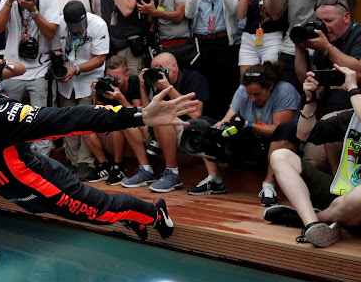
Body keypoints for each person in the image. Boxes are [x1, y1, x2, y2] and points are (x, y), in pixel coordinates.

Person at [0, 34, 201, 241]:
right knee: (101, 216)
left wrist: (140, 115)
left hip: (48, 187)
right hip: (26, 198)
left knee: (103, 211)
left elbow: (70, 119)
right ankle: (129, 217)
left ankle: (154, 212)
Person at [265, 65, 361, 248]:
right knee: (281, 156)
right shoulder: (351, 118)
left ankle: (315, 218)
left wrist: (352, 89)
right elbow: (305, 135)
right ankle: (314, 225)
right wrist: (310, 100)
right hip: (342, 197)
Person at [187, 62, 300, 206]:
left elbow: (278, 128)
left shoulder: (284, 91)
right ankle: (215, 179)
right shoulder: (242, 89)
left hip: (273, 146)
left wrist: (249, 125)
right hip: (248, 142)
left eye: (257, 94)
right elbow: (226, 120)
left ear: (270, 86)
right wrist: (209, 132)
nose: (252, 98)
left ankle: (269, 186)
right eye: (249, 94)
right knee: (203, 124)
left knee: (286, 130)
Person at [0, 0, 60, 156]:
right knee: (8, 119)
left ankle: (42, 163)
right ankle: (10, 160)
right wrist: (9, 2)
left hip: (39, 70)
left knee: (40, 119)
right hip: (13, 68)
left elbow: (50, 33)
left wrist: (34, 10)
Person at [123, 52, 209, 192]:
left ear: (174, 67)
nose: (157, 73)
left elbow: (196, 113)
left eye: (160, 68)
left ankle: (173, 173)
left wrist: (168, 88)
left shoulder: (193, 77)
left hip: (189, 132)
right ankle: (146, 170)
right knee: (128, 121)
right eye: (154, 69)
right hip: (159, 132)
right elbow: (148, 113)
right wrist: (143, 88)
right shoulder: (155, 82)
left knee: (162, 120)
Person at [185, 0, 244, 118]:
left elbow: (235, 8)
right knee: (205, 92)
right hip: (200, 45)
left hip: (224, 42)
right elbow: (189, 13)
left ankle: (225, 128)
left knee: (226, 90)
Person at [51, 1, 109, 181]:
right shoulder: (59, 25)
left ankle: (86, 163)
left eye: (80, 25)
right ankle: (73, 162)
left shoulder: (98, 24)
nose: (78, 29)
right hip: (66, 82)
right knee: (68, 121)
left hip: (88, 79)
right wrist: (60, 64)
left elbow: (100, 58)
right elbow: (56, 49)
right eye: (73, 26)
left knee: (85, 122)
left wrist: (75, 70)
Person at [82, 56, 142, 186]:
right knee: (85, 127)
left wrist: (120, 98)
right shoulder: (105, 85)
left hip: (131, 134)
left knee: (116, 122)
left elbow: (138, 112)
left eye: (117, 78)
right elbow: (97, 112)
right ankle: (104, 165)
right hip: (110, 134)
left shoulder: (134, 82)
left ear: (127, 75)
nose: (114, 81)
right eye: (110, 76)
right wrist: (94, 93)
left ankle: (118, 166)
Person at [137, 0, 193, 69]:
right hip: (161, 46)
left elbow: (179, 16)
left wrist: (155, 12)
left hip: (182, 45)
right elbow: (149, 23)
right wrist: (149, 12)